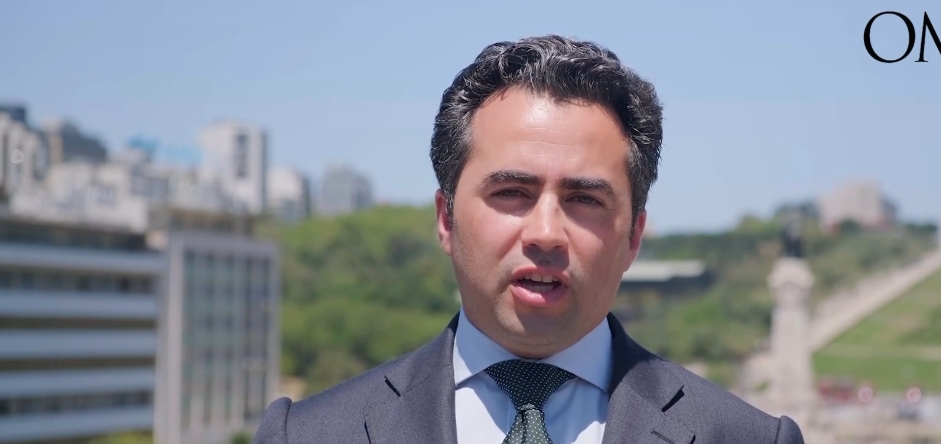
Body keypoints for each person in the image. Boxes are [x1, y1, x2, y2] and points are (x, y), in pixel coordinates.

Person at [254, 34, 805, 444]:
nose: (545, 233)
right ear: (446, 218)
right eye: (512, 193)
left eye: (584, 199)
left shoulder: (748, 438)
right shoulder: (308, 435)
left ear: (634, 236)